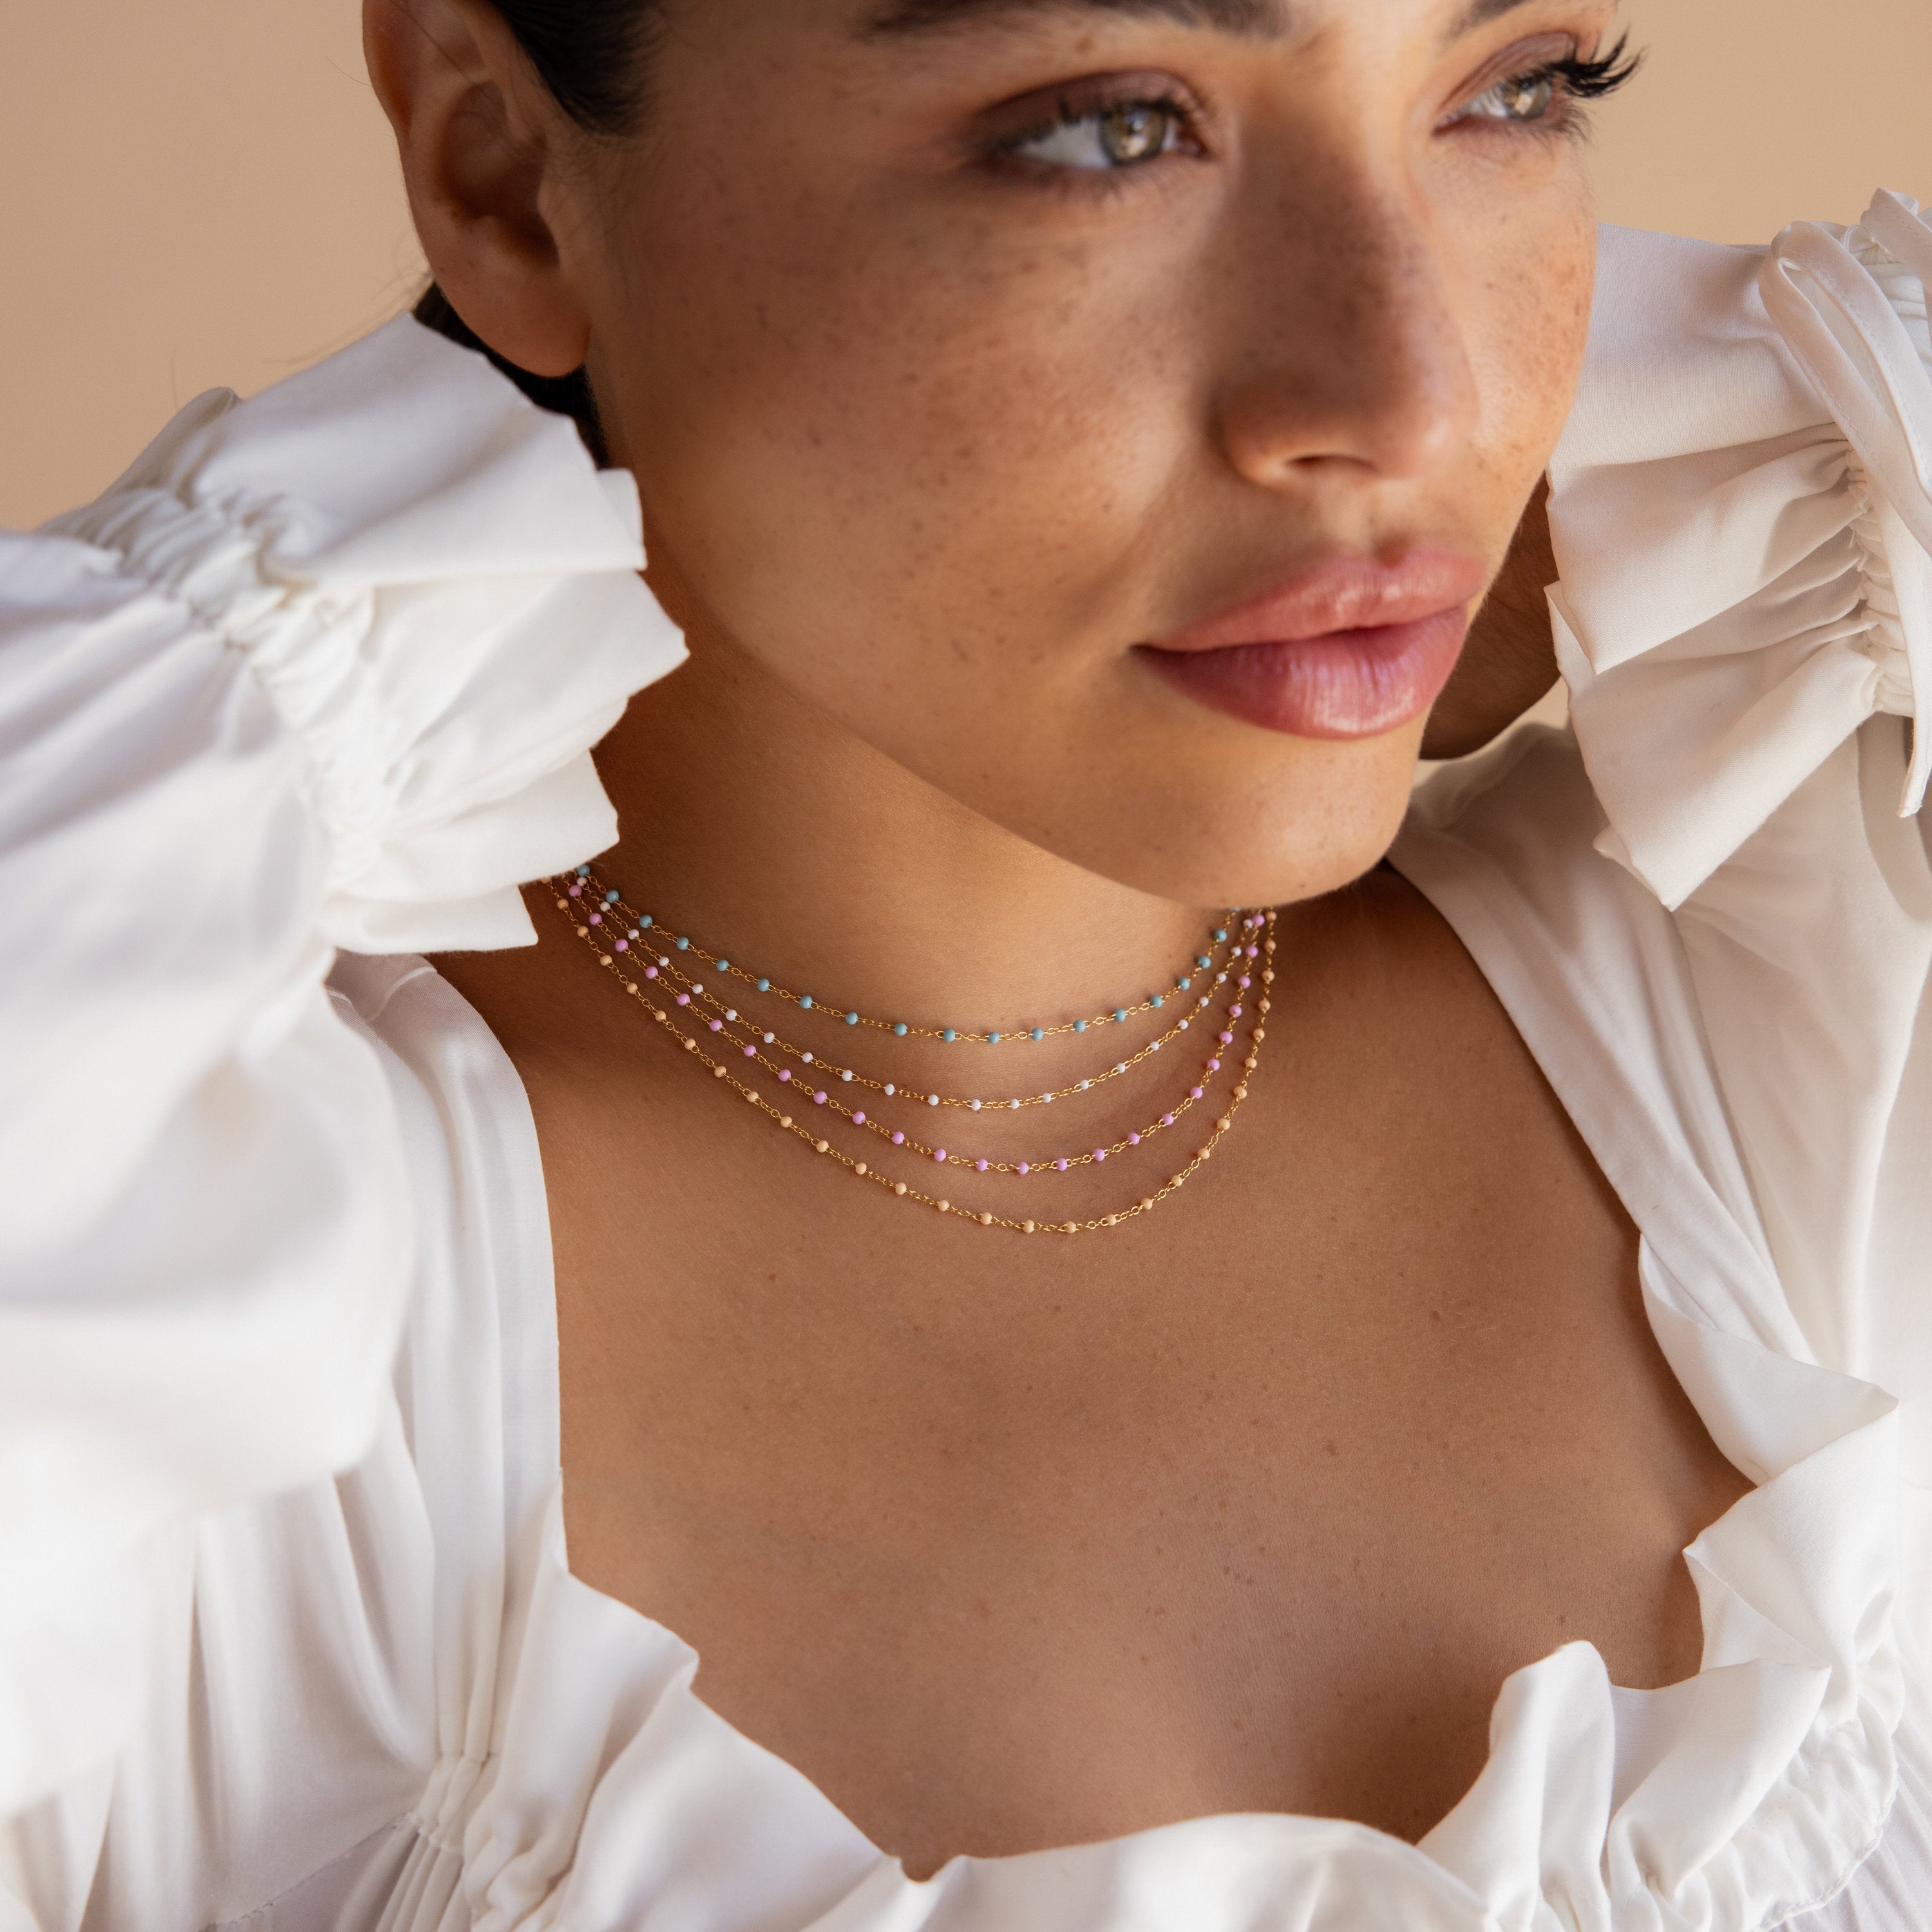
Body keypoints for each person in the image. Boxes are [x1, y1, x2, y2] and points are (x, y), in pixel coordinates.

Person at [3, 0, 1929, 1924]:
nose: (1418, 400)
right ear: (501, 175)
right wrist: (270, 640)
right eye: (1107, 130)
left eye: (1514, 92)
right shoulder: (144, 1327)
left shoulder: (1829, 990)